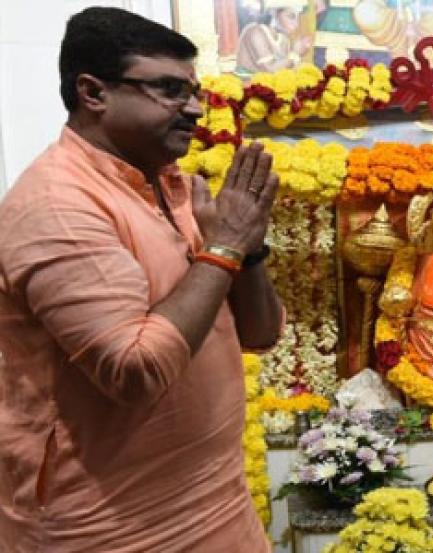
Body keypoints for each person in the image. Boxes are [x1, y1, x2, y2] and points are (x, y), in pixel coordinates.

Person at [0, 7, 282, 551]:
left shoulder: (177, 188)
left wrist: (246, 250)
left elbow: (261, 334)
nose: (195, 109)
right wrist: (224, 246)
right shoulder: (57, 205)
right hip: (110, 526)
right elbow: (134, 372)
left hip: (219, 498)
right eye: (170, 90)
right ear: (93, 92)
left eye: (194, 91)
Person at [236, 0, 312, 74]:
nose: (296, 24)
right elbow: (270, 69)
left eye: (297, 17)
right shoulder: (255, 32)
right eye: (291, 17)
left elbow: (285, 70)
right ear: (274, 13)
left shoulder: (284, 40)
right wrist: (295, 53)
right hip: (246, 84)